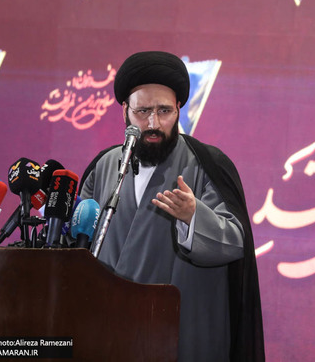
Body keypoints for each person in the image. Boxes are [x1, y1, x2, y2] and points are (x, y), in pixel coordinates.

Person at [79, 51, 264, 362]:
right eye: (143, 111)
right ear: (125, 111)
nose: (153, 123)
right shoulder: (105, 166)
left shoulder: (207, 164)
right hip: (111, 331)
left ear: (179, 108)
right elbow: (78, 239)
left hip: (181, 334)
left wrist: (194, 218)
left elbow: (235, 242)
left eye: (164, 111)